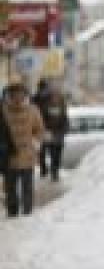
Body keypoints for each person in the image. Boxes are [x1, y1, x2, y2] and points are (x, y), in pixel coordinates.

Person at [3, 81, 46, 217]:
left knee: (27, 187)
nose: (17, 97)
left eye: (20, 94)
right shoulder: (3, 110)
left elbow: (40, 129)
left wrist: (35, 143)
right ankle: (12, 213)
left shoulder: (33, 110)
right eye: (14, 94)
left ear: (25, 95)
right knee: (10, 188)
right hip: (9, 156)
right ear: (9, 95)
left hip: (27, 155)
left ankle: (27, 213)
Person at [33, 78, 68, 182]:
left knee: (54, 153)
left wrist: (64, 129)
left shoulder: (57, 99)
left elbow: (63, 116)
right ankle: (47, 171)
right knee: (44, 152)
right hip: (45, 131)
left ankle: (53, 172)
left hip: (55, 131)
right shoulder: (35, 100)